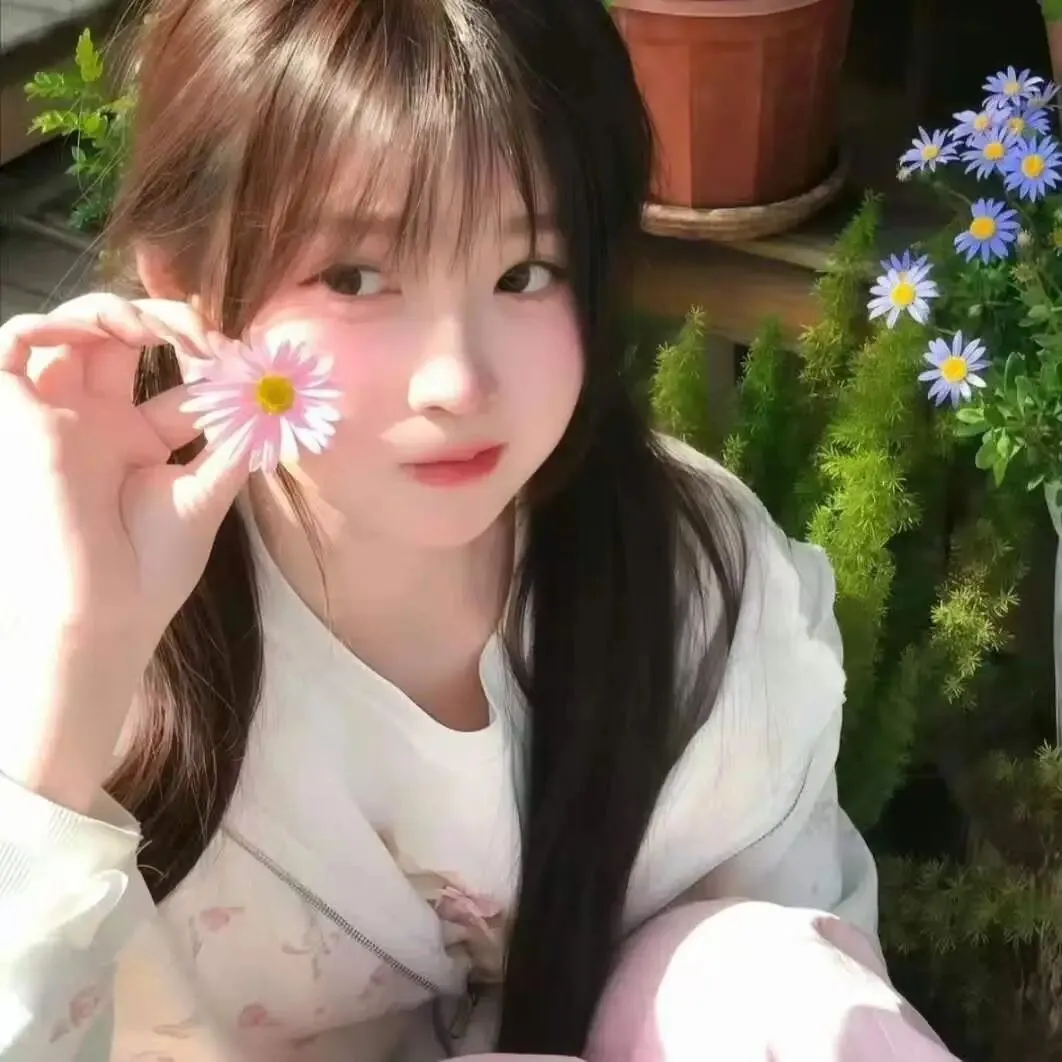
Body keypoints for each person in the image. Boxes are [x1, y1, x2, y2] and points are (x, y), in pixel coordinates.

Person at [0, 1, 961, 1060]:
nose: (458, 381)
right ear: (179, 284)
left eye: (524, 273)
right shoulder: (52, 585)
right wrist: (75, 682)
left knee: (765, 985)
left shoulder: (694, 582)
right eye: (356, 278)